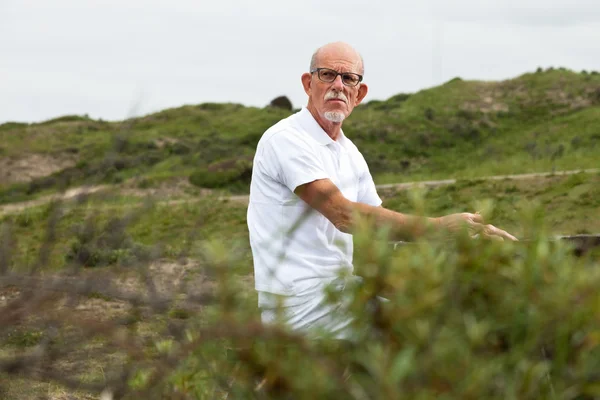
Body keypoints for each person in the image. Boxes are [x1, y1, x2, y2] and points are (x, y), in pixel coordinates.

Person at [247, 42, 517, 339]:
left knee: (445, 311)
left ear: (359, 94)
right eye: (327, 75)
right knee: (432, 332)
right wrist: (440, 228)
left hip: (337, 292)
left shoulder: (350, 154)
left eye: (349, 78)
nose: (338, 85)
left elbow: (379, 232)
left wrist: (468, 241)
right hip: (297, 303)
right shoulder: (286, 139)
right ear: (307, 84)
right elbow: (344, 215)